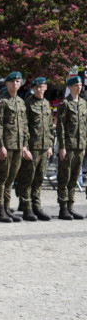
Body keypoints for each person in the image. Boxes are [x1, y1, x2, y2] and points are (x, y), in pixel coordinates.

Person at [0, 71, 30, 222]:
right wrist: (0, 145)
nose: (15, 84)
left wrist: (25, 145)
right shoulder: (1, 101)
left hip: (18, 146)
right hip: (6, 146)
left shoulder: (20, 102)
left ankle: (6, 207)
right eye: (12, 82)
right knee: (1, 178)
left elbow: (24, 125)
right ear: (7, 84)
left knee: (10, 179)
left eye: (18, 81)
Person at [20, 77, 53, 221]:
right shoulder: (28, 104)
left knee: (39, 178)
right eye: (37, 87)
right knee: (28, 178)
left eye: (42, 86)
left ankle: (36, 206)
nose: (40, 89)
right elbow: (24, 127)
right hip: (32, 147)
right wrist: (25, 147)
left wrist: (50, 145)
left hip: (44, 147)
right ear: (33, 89)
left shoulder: (46, 104)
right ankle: (27, 208)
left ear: (46, 87)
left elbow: (50, 126)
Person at [55, 75, 87, 220]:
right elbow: (60, 127)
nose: (79, 87)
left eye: (80, 85)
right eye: (76, 85)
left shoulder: (83, 103)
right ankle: (63, 208)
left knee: (74, 178)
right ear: (69, 87)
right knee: (64, 177)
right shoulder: (65, 104)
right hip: (67, 146)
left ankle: (70, 206)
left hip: (79, 146)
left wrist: (84, 145)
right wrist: (61, 147)